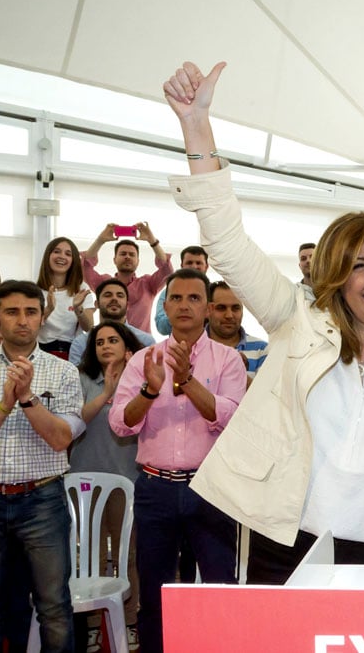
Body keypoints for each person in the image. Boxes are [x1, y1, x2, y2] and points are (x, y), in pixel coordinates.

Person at [162, 61, 364, 585]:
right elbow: (227, 244)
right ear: (333, 275)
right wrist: (196, 126)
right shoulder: (297, 317)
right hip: (286, 541)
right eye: (358, 264)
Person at [109, 270, 247, 653]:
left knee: (220, 589)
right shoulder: (143, 359)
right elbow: (120, 423)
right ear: (165, 306)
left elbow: (230, 418)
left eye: (194, 299)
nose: (185, 305)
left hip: (212, 488)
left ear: (207, 308)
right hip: (155, 488)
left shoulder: (228, 361)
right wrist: (150, 391)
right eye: (177, 298)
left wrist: (186, 380)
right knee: (154, 593)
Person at [0, 280, 84, 653]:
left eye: (30, 312)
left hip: (42, 500)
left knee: (54, 606)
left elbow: (61, 439)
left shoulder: (64, 374)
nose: (22, 320)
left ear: (42, 318)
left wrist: (26, 398)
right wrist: (4, 404)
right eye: (11, 312)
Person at [71, 321, 145, 652]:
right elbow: (73, 425)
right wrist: (104, 394)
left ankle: (129, 622)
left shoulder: (142, 380)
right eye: (99, 342)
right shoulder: (81, 378)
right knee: (91, 558)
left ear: (126, 344)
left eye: (113, 340)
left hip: (128, 480)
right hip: (86, 481)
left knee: (129, 557)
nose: (105, 346)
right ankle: (91, 627)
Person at [82, 223, 173, 334]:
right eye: (123, 254)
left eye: (131, 254)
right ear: (114, 259)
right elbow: (85, 266)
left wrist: (152, 240)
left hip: (141, 346)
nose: (127, 257)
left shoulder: (148, 283)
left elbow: (167, 270)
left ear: (138, 261)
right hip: (108, 344)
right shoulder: (104, 283)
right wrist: (100, 240)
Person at [68, 279, 155, 366]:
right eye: (108, 295)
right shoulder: (81, 343)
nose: (114, 299)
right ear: (96, 304)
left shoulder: (146, 342)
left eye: (120, 296)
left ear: (127, 305)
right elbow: (76, 378)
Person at [36, 236, 93, 358]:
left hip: (73, 352)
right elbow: (31, 326)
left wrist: (79, 310)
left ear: (73, 261)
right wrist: (49, 309)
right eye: (56, 252)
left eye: (68, 254)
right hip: (41, 350)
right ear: (48, 256)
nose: (62, 257)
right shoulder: (35, 291)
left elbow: (89, 328)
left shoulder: (81, 288)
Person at [206, 280, 268, 376]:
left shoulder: (262, 350)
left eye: (235, 308)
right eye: (221, 308)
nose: (229, 315)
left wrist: (239, 372)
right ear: (208, 310)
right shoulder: (191, 348)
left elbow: (264, 391)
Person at [154, 245, 209, 336]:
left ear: (206, 267)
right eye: (189, 263)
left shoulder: (215, 292)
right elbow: (161, 327)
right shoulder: (168, 292)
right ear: (182, 265)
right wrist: (184, 315)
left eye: (198, 263)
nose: (194, 266)